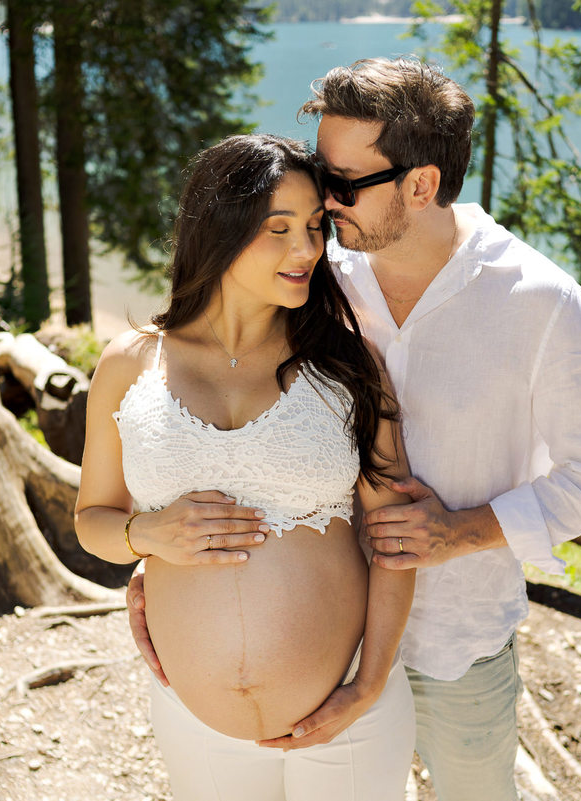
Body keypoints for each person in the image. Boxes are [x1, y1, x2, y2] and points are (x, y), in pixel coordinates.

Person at [129, 58, 581, 800]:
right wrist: (162, 561)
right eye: (320, 178)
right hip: (322, 641)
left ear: (421, 185)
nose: (325, 202)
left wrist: (459, 532)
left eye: (342, 184)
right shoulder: (311, 274)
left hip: (456, 637)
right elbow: (217, 403)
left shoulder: (539, 301)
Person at [75, 134, 418, 801]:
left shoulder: (347, 365)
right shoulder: (128, 363)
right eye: (279, 229)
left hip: (348, 715)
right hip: (196, 725)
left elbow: (395, 536)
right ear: (219, 230)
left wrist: (369, 682)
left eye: (315, 227)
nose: (307, 249)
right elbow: (92, 520)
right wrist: (147, 535)